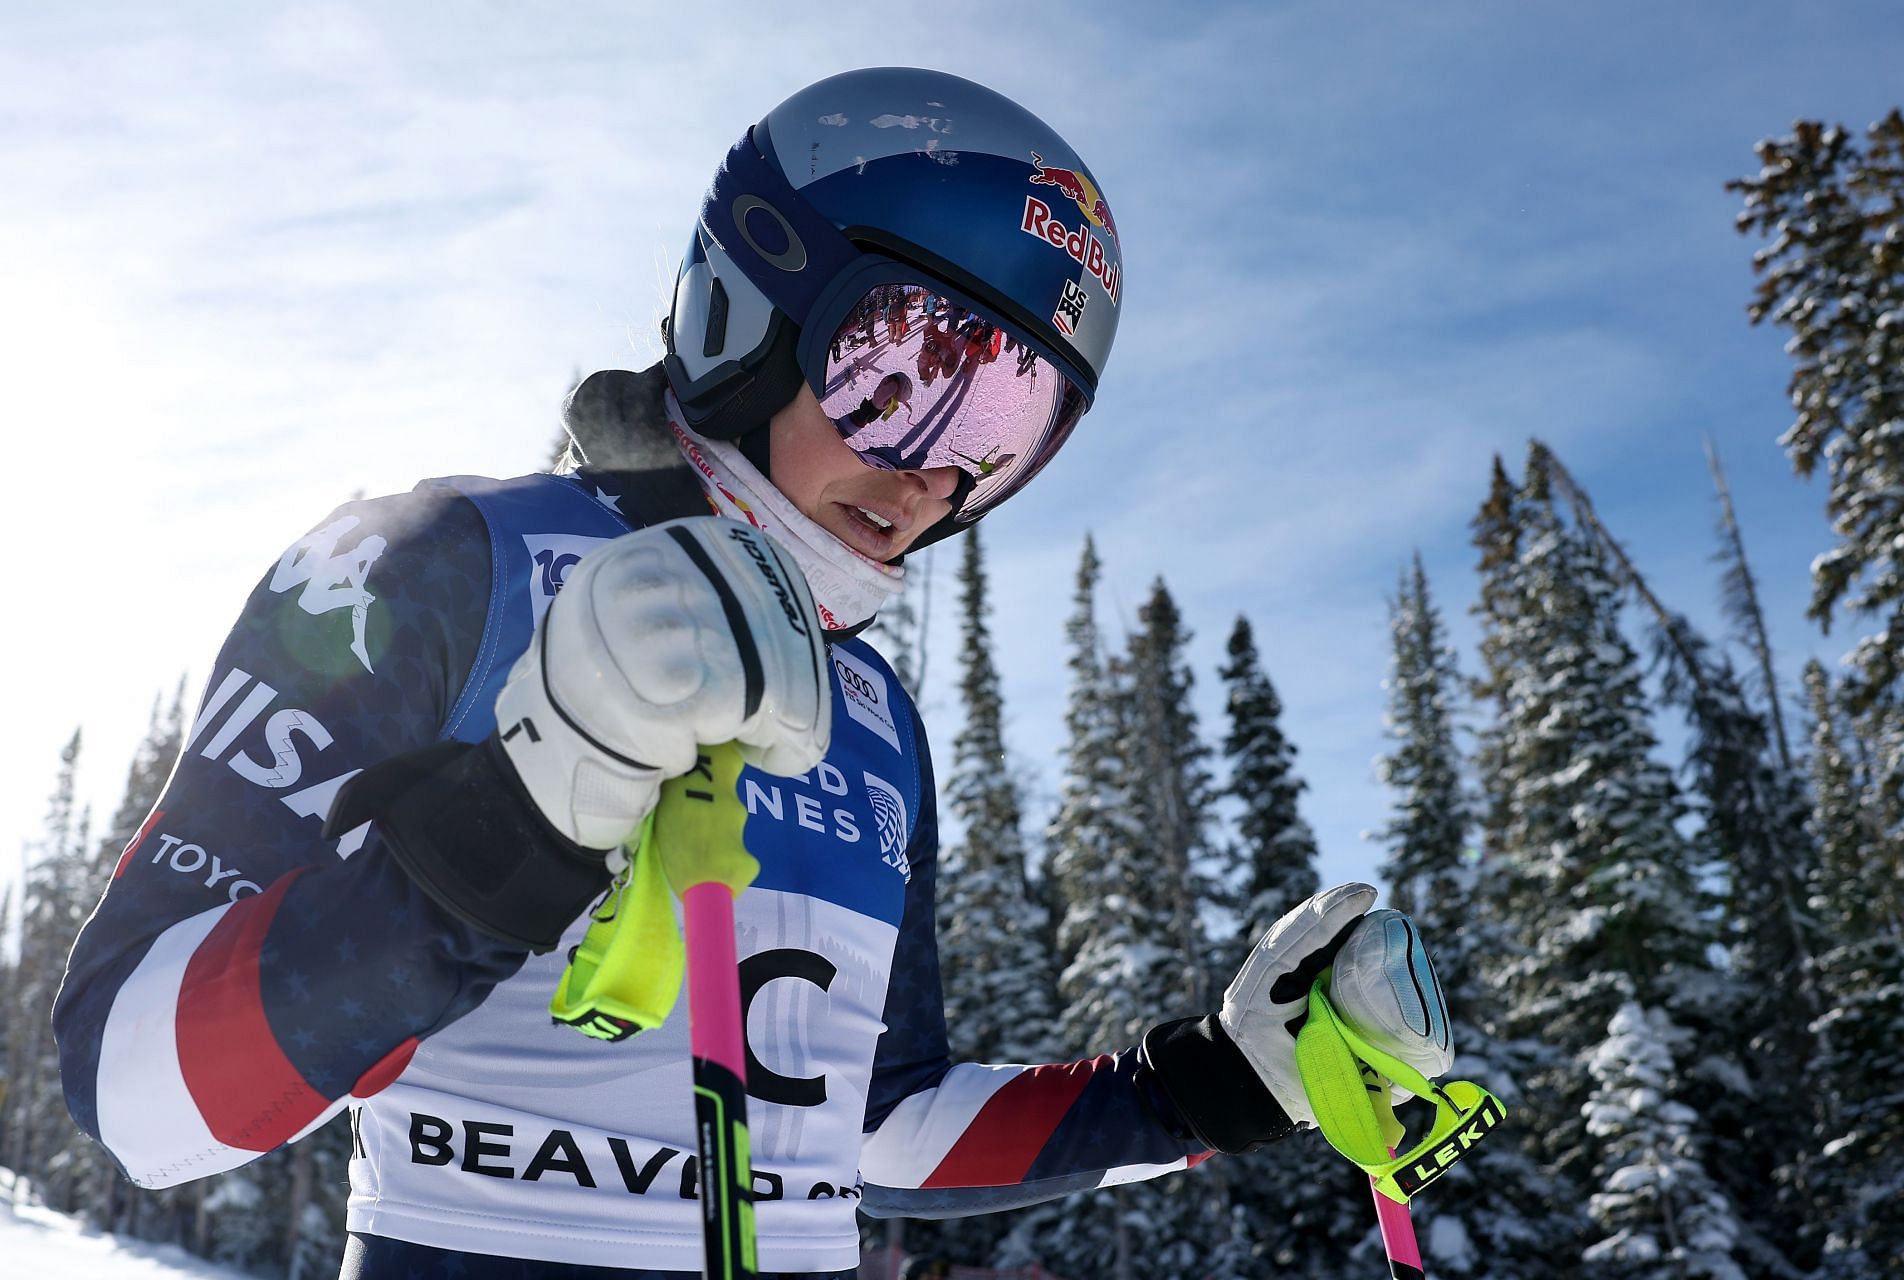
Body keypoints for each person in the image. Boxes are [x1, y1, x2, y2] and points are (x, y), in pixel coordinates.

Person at [53, 68, 1453, 1280]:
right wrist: (528, 812)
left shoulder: (872, 718)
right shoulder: (433, 567)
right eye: (901, 370)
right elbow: (136, 1094)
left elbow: (874, 1129)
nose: (934, 474)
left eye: (1010, 426)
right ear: (751, 304)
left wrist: (1210, 1083)